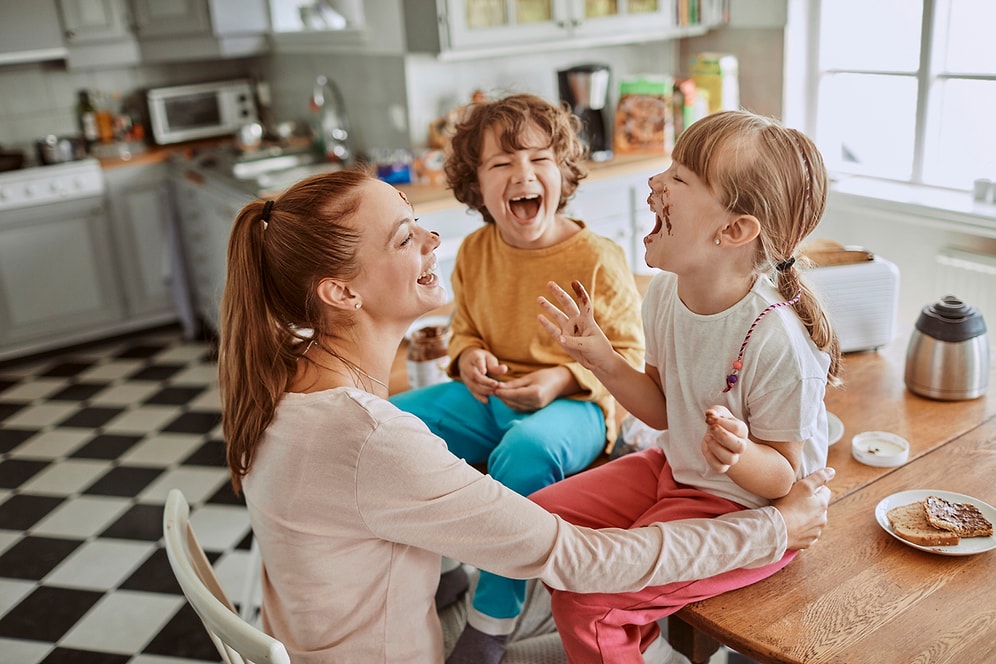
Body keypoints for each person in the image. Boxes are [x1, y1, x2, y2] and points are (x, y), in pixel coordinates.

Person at [217, 167, 835, 664]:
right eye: (405, 237)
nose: (433, 239)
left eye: (416, 220)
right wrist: (775, 529)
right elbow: (581, 560)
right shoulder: (371, 440)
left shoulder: (284, 376)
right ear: (342, 293)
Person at [535, 109, 843, 662]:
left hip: (742, 508)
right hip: (673, 468)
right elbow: (660, 409)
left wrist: (740, 452)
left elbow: (781, 480)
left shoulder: (775, 340)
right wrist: (602, 360)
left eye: (679, 178)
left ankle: (622, 626)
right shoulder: (663, 293)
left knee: (588, 597)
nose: (655, 183)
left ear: (733, 230)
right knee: (534, 523)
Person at [389, 93, 646, 661]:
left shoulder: (597, 257)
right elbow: (465, 330)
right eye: (501, 164)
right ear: (475, 185)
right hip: (489, 398)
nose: (522, 175)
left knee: (524, 453)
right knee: (394, 425)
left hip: (576, 406)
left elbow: (627, 355)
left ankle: (491, 620)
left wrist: (557, 379)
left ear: (564, 173)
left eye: (539, 160)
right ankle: (447, 564)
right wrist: (468, 359)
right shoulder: (476, 250)